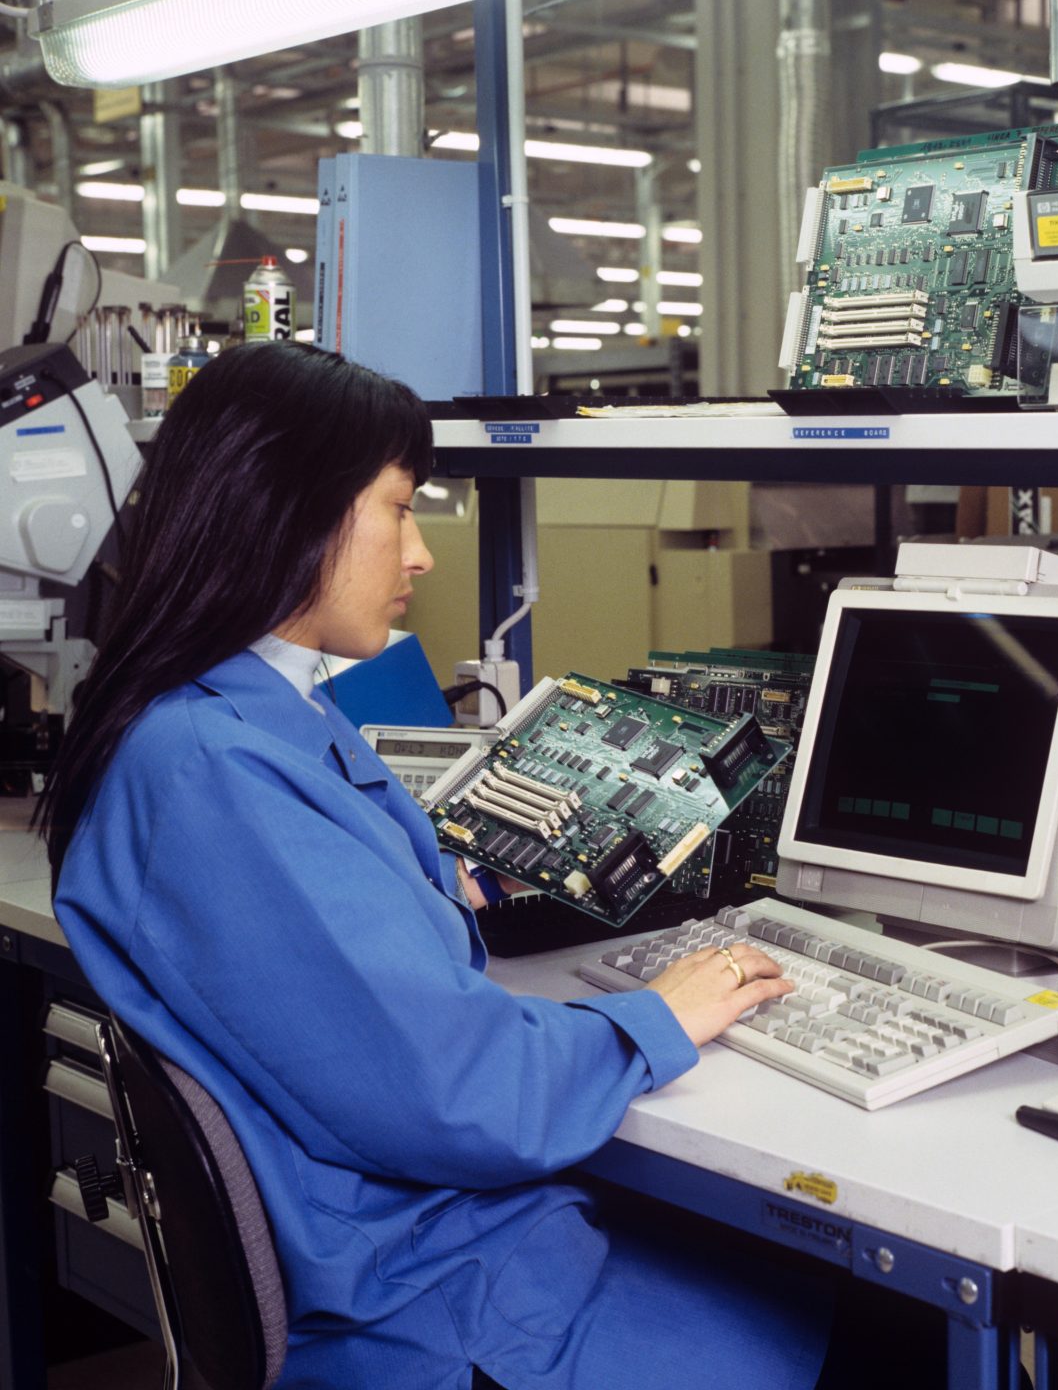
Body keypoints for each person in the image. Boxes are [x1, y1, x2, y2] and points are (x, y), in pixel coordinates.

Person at [37, 341, 833, 1389]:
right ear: (288, 509)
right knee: (878, 1314)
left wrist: (424, 896)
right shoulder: (212, 769)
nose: (419, 555)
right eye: (400, 508)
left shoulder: (236, 721)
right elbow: (464, 1096)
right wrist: (660, 1015)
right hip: (440, 1305)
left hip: (416, 1246)